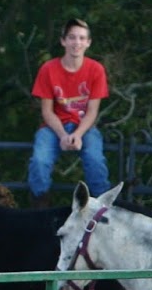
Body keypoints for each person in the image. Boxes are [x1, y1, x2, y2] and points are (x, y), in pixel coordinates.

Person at [26, 18, 111, 205]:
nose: (77, 43)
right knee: (39, 162)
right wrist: (64, 135)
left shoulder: (96, 70)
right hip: (54, 126)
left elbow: (92, 111)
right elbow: (47, 111)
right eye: (72, 38)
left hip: (85, 126)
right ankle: (40, 210)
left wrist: (78, 134)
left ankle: (102, 210)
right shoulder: (48, 69)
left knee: (96, 161)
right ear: (63, 41)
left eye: (82, 38)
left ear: (88, 43)